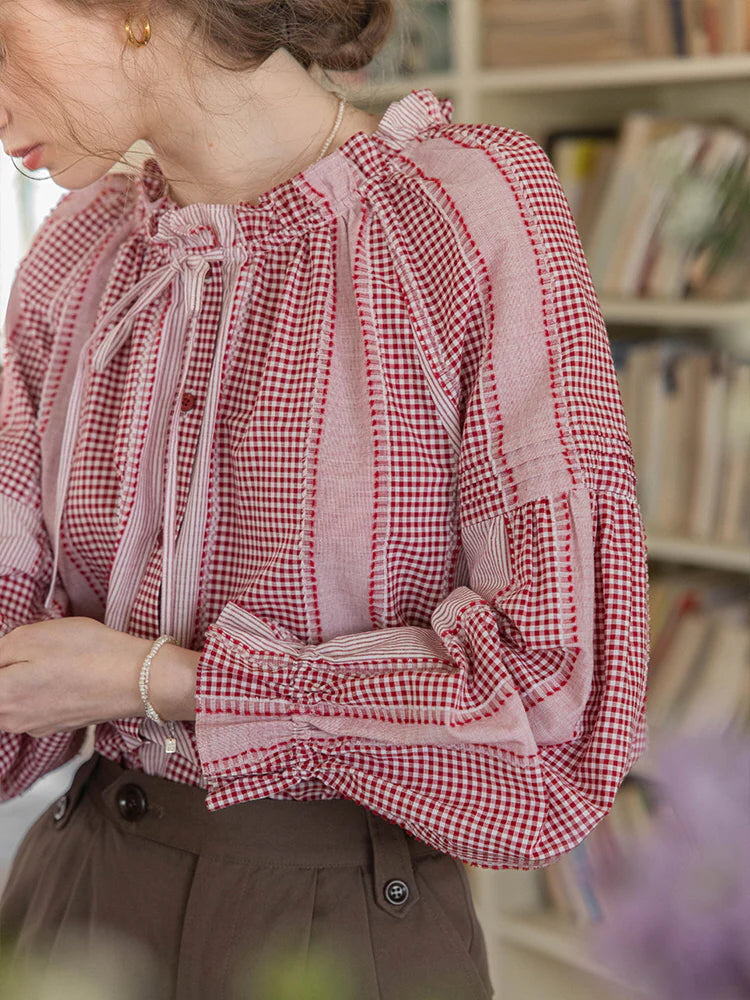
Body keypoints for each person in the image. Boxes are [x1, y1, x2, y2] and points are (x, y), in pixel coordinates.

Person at [0, 1, 650, 997]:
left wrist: (163, 681)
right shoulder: (73, 256)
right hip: (71, 910)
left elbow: (547, 725)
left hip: (344, 930)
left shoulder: (464, 211)